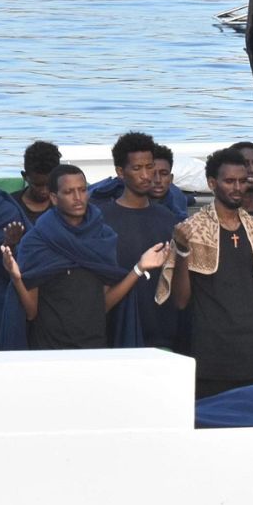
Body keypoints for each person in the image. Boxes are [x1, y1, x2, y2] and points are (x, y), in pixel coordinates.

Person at [159, 148, 253, 397]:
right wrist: (184, 252)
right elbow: (180, 300)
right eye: (229, 181)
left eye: (241, 181)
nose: (237, 187)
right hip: (210, 354)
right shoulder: (191, 230)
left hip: (252, 351)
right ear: (212, 183)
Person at [0, 164, 165, 350]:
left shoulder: (103, 237)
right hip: (48, 349)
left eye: (82, 190)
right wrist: (16, 278)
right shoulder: (36, 241)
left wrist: (139, 268)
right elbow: (31, 312)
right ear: (54, 198)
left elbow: (104, 305)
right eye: (69, 192)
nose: (78, 198)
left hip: (94, 346)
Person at [94, 132, 180, 351]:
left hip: (164, 336)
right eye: (136, 168)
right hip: (117, 337)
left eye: (149, 166)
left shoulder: (168, 219)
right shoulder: (101, 221)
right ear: (120, 172)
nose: (146, 175)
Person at [13, 140, 61, 224]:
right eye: (38, 185)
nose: (44, 191)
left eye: (50, 184)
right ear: (25, 176)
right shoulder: (10, 205)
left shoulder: (66, 205)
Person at [150, 143, 187, 218]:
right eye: (152, 174)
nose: (158, 180)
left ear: (171, 179)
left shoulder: (179, 218)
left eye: (164, 174)